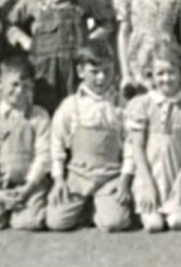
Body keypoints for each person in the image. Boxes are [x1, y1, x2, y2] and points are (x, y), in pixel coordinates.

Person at [6, 0, 115, 115]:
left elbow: (108, 23)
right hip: (42, 72)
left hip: (74, 71)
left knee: (74, 114)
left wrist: (91, 40)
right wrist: (24, 40)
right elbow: (9, 25)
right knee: (43, 113)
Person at [46, 40, 132, 232]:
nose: (101, 78)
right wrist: (59, 180)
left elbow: (131, 146)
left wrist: (125, 181)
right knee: (56, 222)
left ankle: (99, 206)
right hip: (78, 176)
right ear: (80, 71)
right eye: (94, 72)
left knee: (115, 223)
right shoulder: (70, 106)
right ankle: (84, 205)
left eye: (107, 71)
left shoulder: (120, 105)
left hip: (110, 176)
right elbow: (57, 144)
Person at [127, 41, 181, 232]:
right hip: (149, 177)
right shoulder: (143, 104)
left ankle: (178, 202)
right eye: (160, 74)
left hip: (178, 176)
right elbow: (137, 147)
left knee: (177, 223)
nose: (166, 78)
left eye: (172, 72)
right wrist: (147, 184)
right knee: (154, 225)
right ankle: (148, 201)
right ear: (152, 76)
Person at [0, 56, 51, 231]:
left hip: (30, 183)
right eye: (14, 84)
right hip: (1, 183)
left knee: (28, 223)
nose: (20, 91)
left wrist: (29, 186)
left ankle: (26, 207)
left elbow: (44, 156)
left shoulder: (39, 116)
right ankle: (3, 206)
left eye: (27, 86)